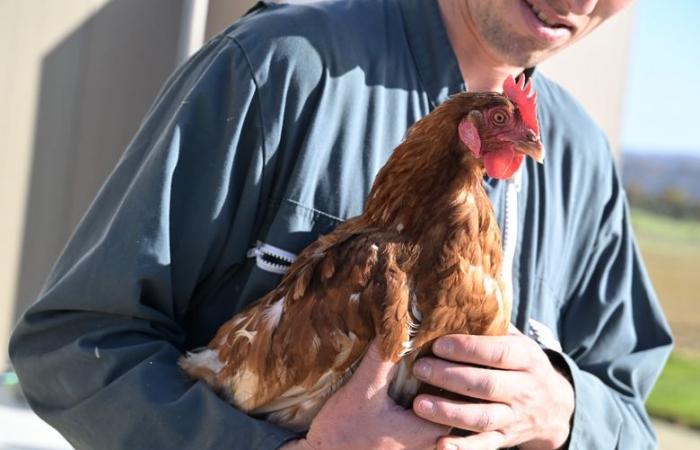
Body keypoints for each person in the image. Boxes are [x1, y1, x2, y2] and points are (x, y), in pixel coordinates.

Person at [10, 0, 672, 449]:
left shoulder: (581, 160)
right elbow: (75, 344)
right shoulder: (277, 69)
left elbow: (629, 415)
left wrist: (564, 410)